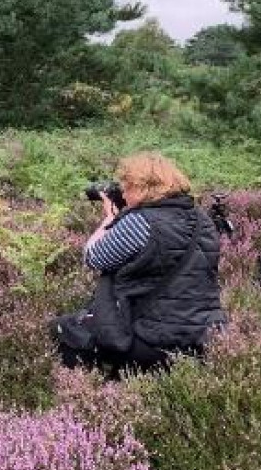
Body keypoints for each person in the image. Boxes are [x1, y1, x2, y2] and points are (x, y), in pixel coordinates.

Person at [55, 152, 226, 379]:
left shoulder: (140, 221)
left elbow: (93, 257)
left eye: (126, 188)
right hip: (205, 336)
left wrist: (109, 219)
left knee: (64, 330)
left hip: (151, 339)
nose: (123, 195)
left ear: (142, 187)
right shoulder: (203, 220)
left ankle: (93, 397)